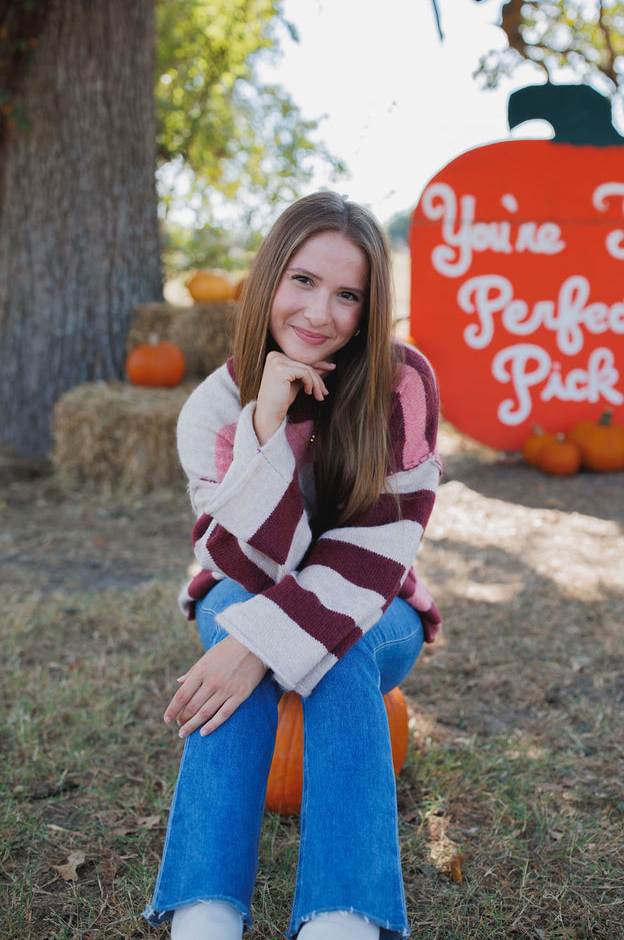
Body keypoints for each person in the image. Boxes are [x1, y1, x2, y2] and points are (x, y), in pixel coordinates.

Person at [144, 191, 442, 940]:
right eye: (303, 281)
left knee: (341, 652)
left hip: (377, 598)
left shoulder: (401, 384)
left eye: (349, 295)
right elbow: (247, 559)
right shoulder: (211, 410)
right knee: (230, 622)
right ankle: (204, 914)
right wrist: (265, 425)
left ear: (371, 311)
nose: (321, 313)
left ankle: (342, 919)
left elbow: (377, 544)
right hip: (239, 585)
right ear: (270, 278)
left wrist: (258, 644)